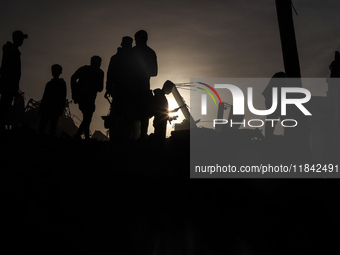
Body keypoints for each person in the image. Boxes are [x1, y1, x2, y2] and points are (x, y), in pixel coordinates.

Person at [105, 36, 134, 141]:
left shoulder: (115, 58)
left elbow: (110, 74)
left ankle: (116, 137)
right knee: (126, 115)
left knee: (117, 115)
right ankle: (123, 138)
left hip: (118, 91)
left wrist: (108, 88)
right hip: (127, 91)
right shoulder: (133, 58)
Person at [132, 30, 158, 139]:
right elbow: (154, 72)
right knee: (142, 116)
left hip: (134, 89)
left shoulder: (132, 52)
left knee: (140, 115)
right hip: (139, 88)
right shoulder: (150, 52)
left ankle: (139, 138)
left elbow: (154, 72)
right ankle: (141, 138)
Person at [0, 30, 28, 130]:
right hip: (8, 83)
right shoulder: (11, 50)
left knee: (6, 105)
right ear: (16, 38)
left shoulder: (12, 50)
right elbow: (9, 69)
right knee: (5, 105)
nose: (22, 41)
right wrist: (12, 85)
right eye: (21, 39)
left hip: (9, 83)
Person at [71, 56, 104, 140]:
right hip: (86, 97)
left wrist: (74, 92)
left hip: (85, 97)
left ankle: (85, 136)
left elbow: (73, 78)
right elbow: (100, 88)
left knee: (87, 117)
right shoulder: (99, 72)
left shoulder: (84, 69)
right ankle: (79, 135)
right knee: (88, 117)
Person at [38, 64, 67, 136]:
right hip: (49, 109)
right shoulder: (51, 84)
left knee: (51, 127)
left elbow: (62, 97)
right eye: (53, 70)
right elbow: (45, 97)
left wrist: (60, 109)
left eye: (55, 70)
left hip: (53, 109)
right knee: (46, 126)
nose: (53, 72)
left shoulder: (60, 83)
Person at [262, 72, 286, 138]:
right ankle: (268, 137)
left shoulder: (281, 75)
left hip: (274, 99)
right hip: (273, 99)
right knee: (272, 119)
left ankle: (268, 136)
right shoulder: (282, 76)